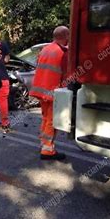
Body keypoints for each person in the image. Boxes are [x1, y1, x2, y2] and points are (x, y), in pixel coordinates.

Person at [29, 26, 70, 160]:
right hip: (52, 92)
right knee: (52, 121)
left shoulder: (45, 49)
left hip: (41, 91)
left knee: (46, 119)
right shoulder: (63, 52)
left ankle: (44, 143)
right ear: (66, 36)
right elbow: (66, 75)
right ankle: (47, 150)